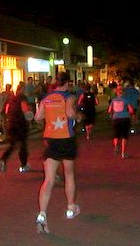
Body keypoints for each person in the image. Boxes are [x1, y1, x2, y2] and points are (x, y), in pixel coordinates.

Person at [34, 72, 80, 234]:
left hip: (51, 139)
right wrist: (78, 116)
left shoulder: (46, 97)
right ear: (67, 83)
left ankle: (42, 214)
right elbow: (69, 114)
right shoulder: (69, 96)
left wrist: (50, 117)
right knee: (69, 174)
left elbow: (38, 116)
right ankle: (70, 207)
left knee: (49, 179)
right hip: (66, 138)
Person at [0, 82, 32, 173]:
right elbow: (25, 109)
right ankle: (23, 165)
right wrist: (30, 116)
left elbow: (6, 110)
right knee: (23, 145)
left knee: (12, 145)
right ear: (22, 89)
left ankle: (3, 159)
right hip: (20, 123)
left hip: (11, 123)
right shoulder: (22, 98)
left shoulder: (11, 98)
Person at [108, 85, 134, 158]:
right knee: (124, 136)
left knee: (116, 135)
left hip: (116, 118)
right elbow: (131, 110)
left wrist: (113, 113)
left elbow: (109, 110)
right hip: (125, 118)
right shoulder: (126, 100)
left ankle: (116, 146)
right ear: (123, 93)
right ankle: (123, 153)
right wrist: (128, 113)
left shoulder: (113, 100)